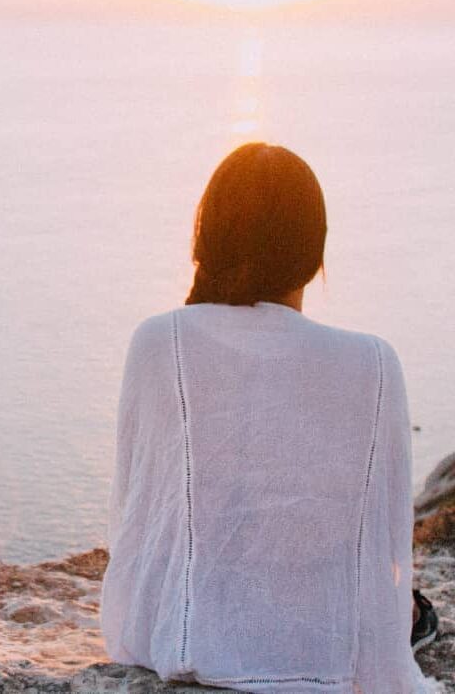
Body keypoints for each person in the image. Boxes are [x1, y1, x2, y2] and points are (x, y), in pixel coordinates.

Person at [99, 143, 439, 693]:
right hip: (322, 644)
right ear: (313, 253)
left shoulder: (160, 342)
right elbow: (382, 543)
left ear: (206, 240)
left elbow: (138, 519)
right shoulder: (374, 363)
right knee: (414, 614)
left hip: (188, 638)